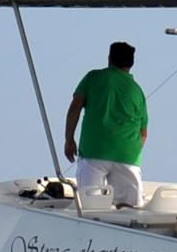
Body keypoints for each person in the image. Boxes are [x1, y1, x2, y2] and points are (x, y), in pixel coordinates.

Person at [63, 41, 150, 207]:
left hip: (94, 152)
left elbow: (75, 107)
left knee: (90, 206)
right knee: (129, 210)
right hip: (128, 156)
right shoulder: (137, 90)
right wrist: (129, 152)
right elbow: (143, 132)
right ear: (131, 63)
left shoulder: (93, 77)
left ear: (109, 58)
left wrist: (69, 139)